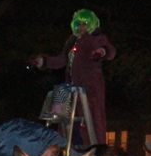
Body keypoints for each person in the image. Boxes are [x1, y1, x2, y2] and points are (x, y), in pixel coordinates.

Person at [31, 9, 116, 146]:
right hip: (71, 91)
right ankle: (63, 149)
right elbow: (60, 60)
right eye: (79, 24)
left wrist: (101, 52)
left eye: (86, 23)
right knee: (67, 123)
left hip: (89, 89)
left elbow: (110, 51)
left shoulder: (96, 38)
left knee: (91, 123)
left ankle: (94, 151)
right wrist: (42, 61)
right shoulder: (72, 41)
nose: (82, 27)